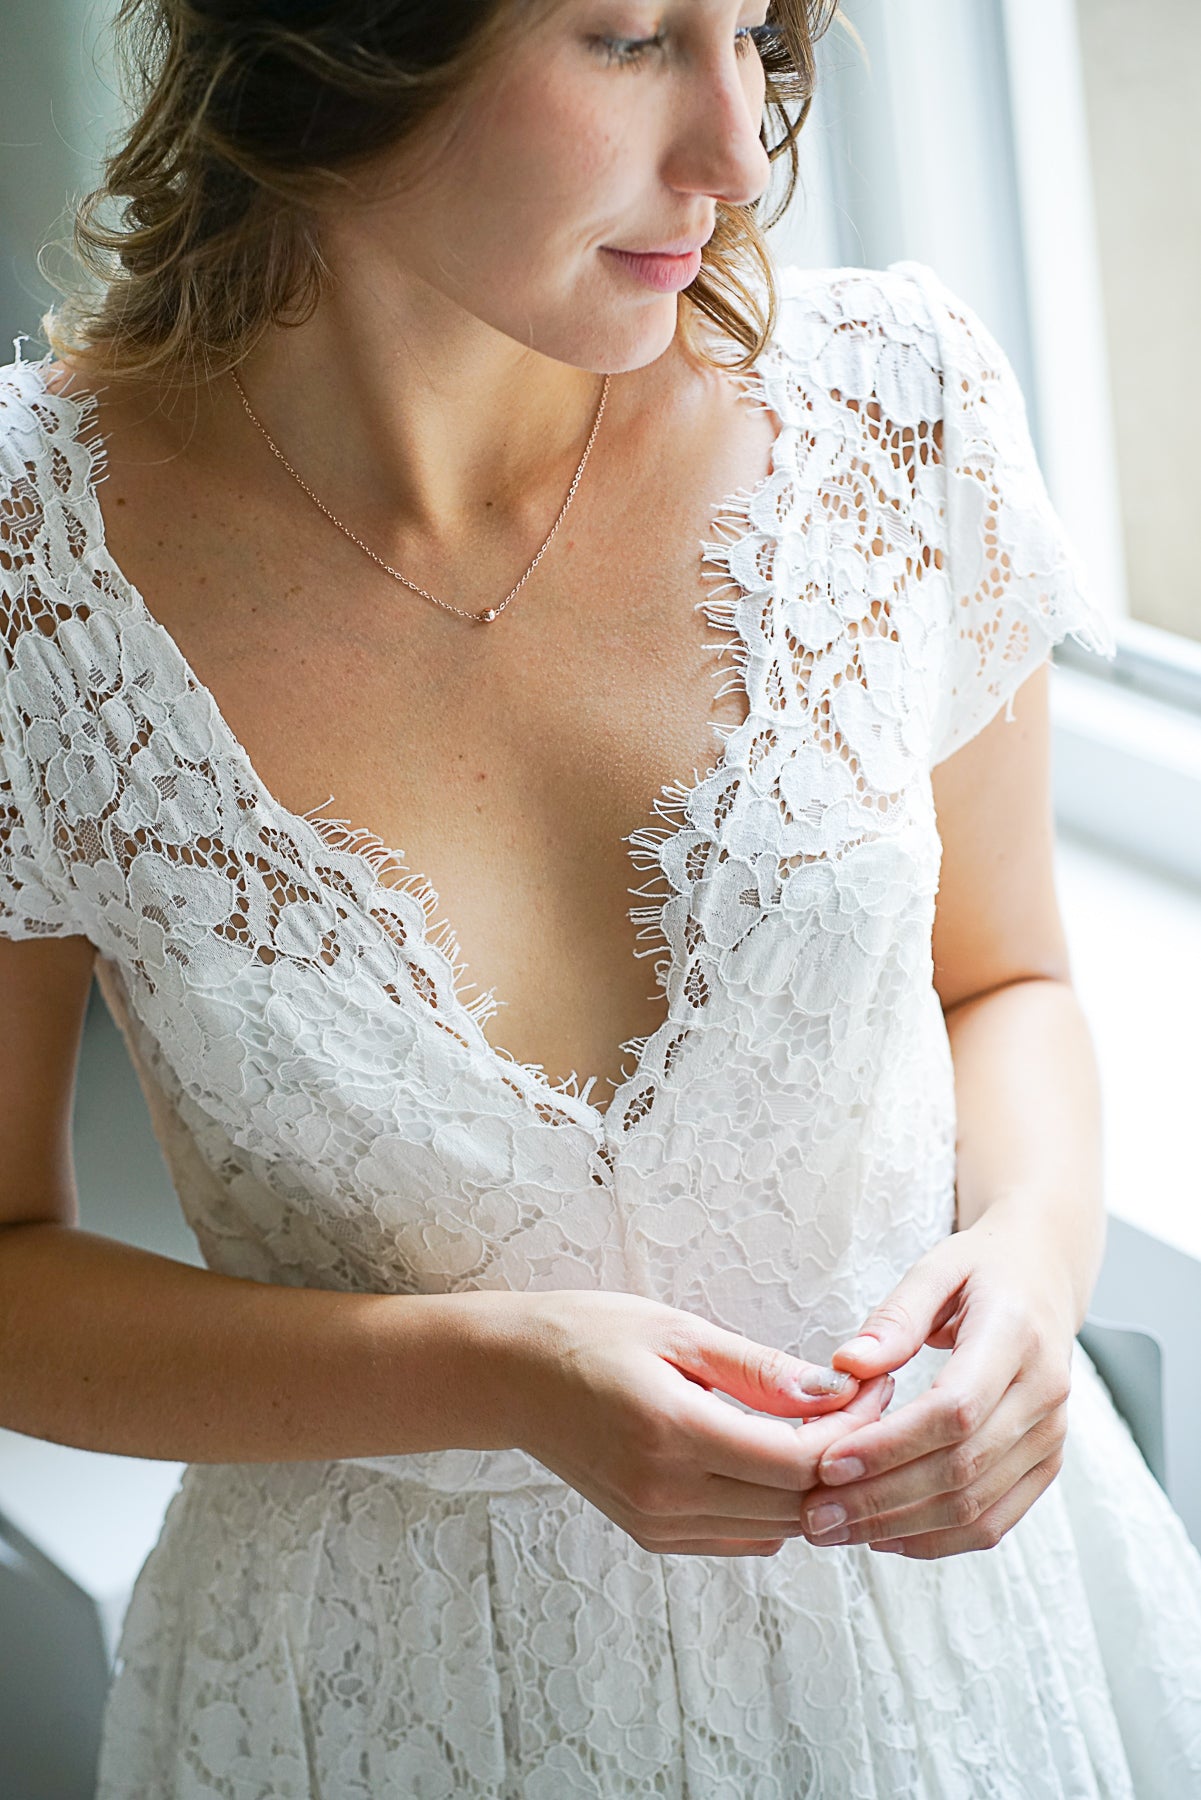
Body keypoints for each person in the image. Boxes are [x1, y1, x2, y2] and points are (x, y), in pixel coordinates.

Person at [2, 0, 1200, 1793]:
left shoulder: (895, 413)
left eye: (756, 28)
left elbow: (1003, 980)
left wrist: (1030, 1265)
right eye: (635, 37)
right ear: (345, 40)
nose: (738, 149)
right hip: (382, 1707)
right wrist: (494, 1372)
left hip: (952, 1648)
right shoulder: (35, 573)